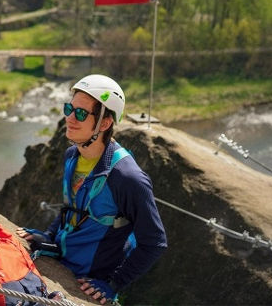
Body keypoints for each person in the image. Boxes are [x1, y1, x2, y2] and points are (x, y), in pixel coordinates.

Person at [16, 74, 167, 305]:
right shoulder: (72, 155)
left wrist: (113, 284)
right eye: (69, 108)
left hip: (90, 279)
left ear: (104, 123)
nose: (69, 118)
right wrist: (48, 237)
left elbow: (154, 241)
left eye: (81, 113)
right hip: (63, 260)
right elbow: (71, 208)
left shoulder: (127, 177)